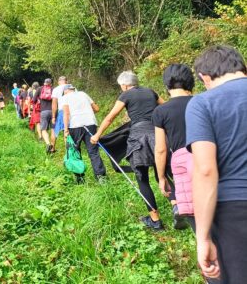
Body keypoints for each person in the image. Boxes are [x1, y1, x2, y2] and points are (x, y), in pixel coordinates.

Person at [186, 45, 247, 283]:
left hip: (234, 211)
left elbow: (205, 170)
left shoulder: (203, 104)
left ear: (205, 77)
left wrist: (202, 238)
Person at [91, 71, 165, 231]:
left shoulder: (126, 95)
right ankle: (177, 207)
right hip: (158, 135)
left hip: (139, 138)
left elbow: (110, 117)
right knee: (163, 173)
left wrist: (97, 134)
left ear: (124, 85)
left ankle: (155, 220)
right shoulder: (150, 92)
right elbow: (165, 108)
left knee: (142, 177)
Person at [152, 64, 194, 230]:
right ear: (191, 82)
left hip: (182, 165)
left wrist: (162, 177)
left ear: (166, 85)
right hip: (208, 157)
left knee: (193, 212)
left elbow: (161, 149)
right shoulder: (203, 101)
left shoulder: (161, 112)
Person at [62, 84, 107, 182]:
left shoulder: (65, 98)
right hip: (90, 124)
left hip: (75, 126)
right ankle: (101, 177)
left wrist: (65, 130)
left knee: (76, 151)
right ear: (74, 89)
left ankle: (80, 177)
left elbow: (66, 113)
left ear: (66, 91)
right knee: (93, 152)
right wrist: (86, 113)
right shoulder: (83, 94)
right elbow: (96, 109)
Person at [33, 78, 54, 153]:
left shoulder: (39, 89)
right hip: (53, 112)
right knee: (53, 129)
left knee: (44, 129)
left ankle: (48, 144)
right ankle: (53, 147)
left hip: (43, 111)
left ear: (44, 83)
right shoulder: (53, 89)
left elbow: (34, 100)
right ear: (51, 83)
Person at [51, 76, 68, 152]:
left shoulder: (56, 89)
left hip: (62, 111)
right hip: (72, 112)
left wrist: (53, 116)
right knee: (68, 131)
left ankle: (52, 149)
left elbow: (54, 104)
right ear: (66, 81)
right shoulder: (72, 88)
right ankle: (69, 152)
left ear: (58, 82)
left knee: (55, 130)